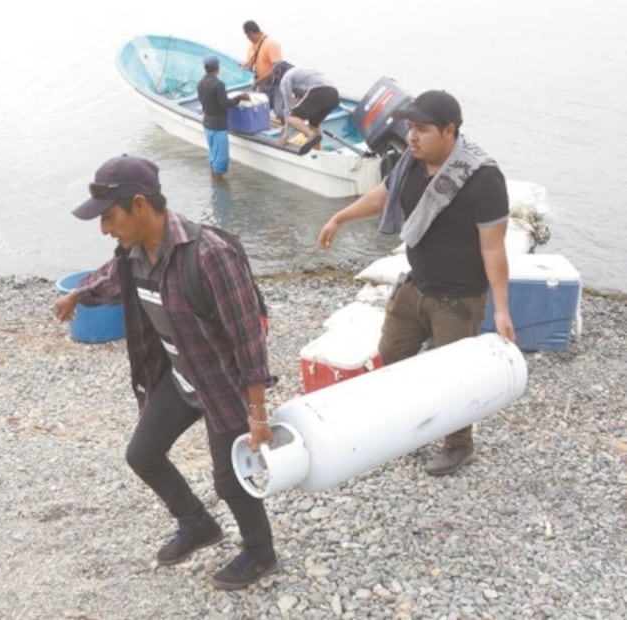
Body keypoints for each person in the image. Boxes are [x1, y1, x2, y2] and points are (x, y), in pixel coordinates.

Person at [53, 154, 279, 590]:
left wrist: (258, 415)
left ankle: (261, 553)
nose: (105, 229)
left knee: (230, 481)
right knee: (143, 454)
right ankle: (198, 526)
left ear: (139, 205)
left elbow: (249, 339)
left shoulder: (211, 256)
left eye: (109, 217)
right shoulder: (134, 252)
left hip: (223, 384)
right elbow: (112, 280)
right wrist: (78, 295)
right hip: (180, 376)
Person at [317, 90, 515, 476]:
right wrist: (340, 218)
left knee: (455, 378)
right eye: (410, 128)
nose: (412, 137)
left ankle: (459, 444)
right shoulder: (410, 162)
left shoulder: (482, 178)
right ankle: (413, 425)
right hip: (415, 285)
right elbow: (383, 195)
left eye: (422, 130)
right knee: (391, 355)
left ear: (449, 130)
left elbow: (494, 249)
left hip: (458, 298)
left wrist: (503, 309)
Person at [197, 55, 250, 183]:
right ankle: (219, 186)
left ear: (205, 68)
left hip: (207, 124)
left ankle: (214, 182)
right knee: (221, 160)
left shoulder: (200, 83)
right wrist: (239, 97)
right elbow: (225, 104)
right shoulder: (218, 84)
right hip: (218, 126)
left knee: (213, 157)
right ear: (217, 67)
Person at [273, 63, 339, 155]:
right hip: (334, 94)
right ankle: (317, 152)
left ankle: (311, 135)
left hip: (320, 91)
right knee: (314, 124)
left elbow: (287, 109)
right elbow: (302, 101)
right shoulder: (301, 71)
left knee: (290, 117)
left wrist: (285, 134)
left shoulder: (286, 78)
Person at [241, 20, 282, 91]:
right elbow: (250, 63)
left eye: (247, 36)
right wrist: (247, 65)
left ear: (250, 33)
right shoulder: (252, 46)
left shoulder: (271, 45)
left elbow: (278, 69)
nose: (248, 39)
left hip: (273, 85)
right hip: (260, 84)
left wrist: (260, 80)